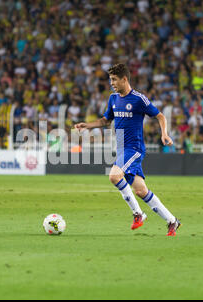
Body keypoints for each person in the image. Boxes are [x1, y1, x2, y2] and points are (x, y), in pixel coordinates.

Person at [75, 63, 181, 236]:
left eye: (115, 80)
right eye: (110, 80)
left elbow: (160, 116)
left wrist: (164, 134)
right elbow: (105, 121)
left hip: (135, 149)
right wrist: (87, 125)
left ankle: (138, 214)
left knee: (114, 176)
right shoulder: (113, 99)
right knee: (141, 190)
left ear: (125, 79)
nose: (112, 83)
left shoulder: (139, 99)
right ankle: (172, 221)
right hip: (123, 150)